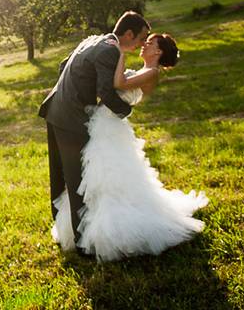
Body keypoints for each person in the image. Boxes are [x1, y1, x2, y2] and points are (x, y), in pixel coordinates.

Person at [52, 33, 209, 261]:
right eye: (145, 40)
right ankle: (84, 227)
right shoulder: (143, 70)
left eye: (151, 42)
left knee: (107, 176)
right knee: (95, 175)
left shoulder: (151, 73)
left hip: (109, 126)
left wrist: (120, 51)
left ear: (158, 52)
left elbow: (118, 84)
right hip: (102, 122)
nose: (145, 44)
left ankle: (112, 230)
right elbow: (107, 85)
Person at [38, 11, 150, 253]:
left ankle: (63, 230)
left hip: (55, 108)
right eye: (142, 38)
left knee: (60, 176)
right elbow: (107, 93)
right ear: (128, 34)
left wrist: (72, 92)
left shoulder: (94, 39)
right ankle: (82, 244)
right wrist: (125, 112)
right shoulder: (110, 50)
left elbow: (62, 65)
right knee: (78, 180)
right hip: (71, 118)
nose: (142, 44)